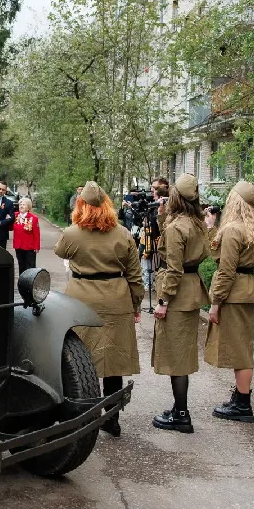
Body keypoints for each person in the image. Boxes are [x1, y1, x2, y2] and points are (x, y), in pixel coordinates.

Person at [55, 181, 144, 437]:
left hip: (81, 301)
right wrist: (135, 305)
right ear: (107, 204)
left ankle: (85, 416)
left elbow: (60, 250)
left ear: (80, 205)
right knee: (112, 362)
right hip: (116, 299)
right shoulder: (122, 233)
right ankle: (112, 418)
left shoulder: (72, 233)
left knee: (82, 359)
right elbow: (135, 276)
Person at [151, 173, 210, 434]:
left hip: (177, 293)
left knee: (177, 357)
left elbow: (173, 270)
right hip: (192, 290)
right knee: (183, 352)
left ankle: (182, 415)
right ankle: (178, 409)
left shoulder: (177, 228)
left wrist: (163, 300)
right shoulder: (198, 223)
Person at [204, 182, 254, 423]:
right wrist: (211, 229)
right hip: (247, 289)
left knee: (240, 350)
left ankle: (243, 403)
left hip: (234, 293)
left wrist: (215, 303)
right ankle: (240, 396)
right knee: (243, 346)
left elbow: (226, 270)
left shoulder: (232, 230)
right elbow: (219, 254)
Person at [11, 197, 41, 274]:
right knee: (21, 266)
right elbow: (10, 228)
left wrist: (36, 247)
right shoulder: (14, 216)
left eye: (23, 204)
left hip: (29, 247)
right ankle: (22, 284)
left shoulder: (33, 218)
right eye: (20, 204)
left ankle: (30, 285)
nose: (21, 206)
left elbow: (36, 234)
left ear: (28, 207)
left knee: (30, 267)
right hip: (18, 246)